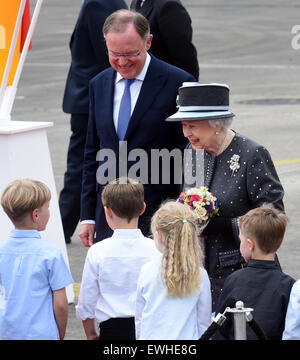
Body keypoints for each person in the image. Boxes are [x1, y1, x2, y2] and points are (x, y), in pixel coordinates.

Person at [79, 10, 195, 246]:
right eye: (115, 54)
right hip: (109, 216)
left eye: (131, 53)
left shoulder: (179, 83)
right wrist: (88, 215)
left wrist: (185, 212)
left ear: (148, 42)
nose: (122, 62)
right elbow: (92, 151)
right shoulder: (98, 84)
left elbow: (190, 153)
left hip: (159, 216)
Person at [166, 82, 285, 311]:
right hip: (197, 272)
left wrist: (221, 226)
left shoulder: (252, 154)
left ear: (217, 125)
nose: (187, 133)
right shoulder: (192, 151)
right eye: (184, 125)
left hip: (243, 274)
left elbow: (273, 216)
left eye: (193, 126)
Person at [59, 0, 127, 244]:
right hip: (92, 98)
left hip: (85, 95)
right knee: (83, 163)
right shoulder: (101, 2)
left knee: (82, 162)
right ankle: (64, 223)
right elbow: (110, 54)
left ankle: (64, 222)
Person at [76, 177, 159, 340]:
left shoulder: (98, 251)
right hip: (150, 327)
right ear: (142, 209)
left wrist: (91, 333)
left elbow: (87, 300)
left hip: (112, 330)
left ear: (107, 211)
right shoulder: (156, 249)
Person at [0, 179, 73, 340]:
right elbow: (61, 304)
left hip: (8, 333)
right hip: (43, 334)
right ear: (36, 214)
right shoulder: (51, 254)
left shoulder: (2, 252)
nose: (49, 211)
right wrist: (60, 333)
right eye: (48, 207)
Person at [213, 203, 295, 340]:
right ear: (279, 243)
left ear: (250, 245)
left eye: (241, 241)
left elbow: (219, 328)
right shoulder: (289, 285)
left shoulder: (234, 280)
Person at [135, 201, 211, 340]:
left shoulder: (146, 271)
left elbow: (140, 319)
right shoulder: (200, 274)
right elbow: (203, 323)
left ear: (157, 235)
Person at [130, 0, 199, 80]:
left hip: (165, 82)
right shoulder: (138, 2)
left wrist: (187, 89)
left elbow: (185, 57)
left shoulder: (169, 6)